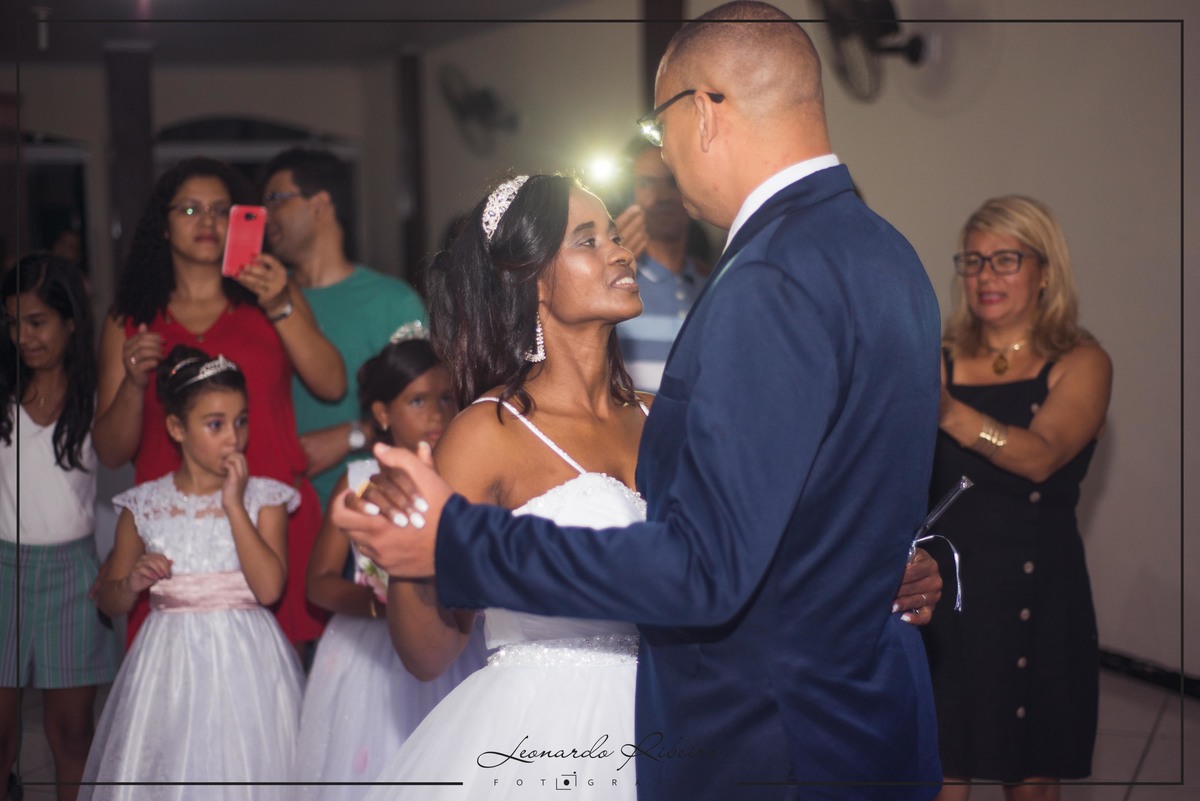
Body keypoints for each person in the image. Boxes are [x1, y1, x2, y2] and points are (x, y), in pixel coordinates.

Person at [338, 3, 945, 799]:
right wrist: (413, 552)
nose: (621, 246)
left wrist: (462, 541)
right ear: (531, 280)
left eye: (661, 127)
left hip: (770, 736)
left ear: (704, 112)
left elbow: (710, 563)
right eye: (587, 238)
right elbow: (811, 499)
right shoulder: (892, 255)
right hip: (597, 738)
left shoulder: (763, 283)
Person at [93, 156, 344, 651]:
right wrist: (134, 384)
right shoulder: (131, 319)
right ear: (163, 226)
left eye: (221, 210)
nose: (207, 221)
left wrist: (280, 305)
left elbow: (332, 384)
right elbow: (111, 451)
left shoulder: (273, 296)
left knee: (277, 682)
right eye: (189, 210)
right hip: (175, 529)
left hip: (268, 515)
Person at [922, 196, 1111, 801]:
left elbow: (1042, 456)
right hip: (945, 594)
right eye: (973, 260)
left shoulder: (1081, 361)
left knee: (1029, 776)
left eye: (1005, 259)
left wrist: (948, 412)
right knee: (940, 770)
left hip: (1037, 593)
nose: (985, 276)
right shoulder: (937, 357)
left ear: (1045, 271)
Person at [80, 346, 303, 800]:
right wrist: (132, 583)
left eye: (241, 421)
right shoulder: (144, 505)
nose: (233, 438)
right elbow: (109, 601)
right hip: (169, 665)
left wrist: (234, 505)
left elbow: (269, 589)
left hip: (249, 664)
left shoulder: (265, 499)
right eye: (215, 424)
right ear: (177, 428)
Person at [293, 329, 487, 799]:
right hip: (369, 655)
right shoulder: (360, 482)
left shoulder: (466, 480)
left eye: (446, 398)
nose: (437, 413)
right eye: (417, 401)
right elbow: (319, 583)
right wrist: (382, 604)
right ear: (382, 413)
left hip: (453, 643)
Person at [1, 254, 119, 801]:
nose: (23, 337)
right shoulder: (4, 394)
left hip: (73, 574)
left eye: (36, 322)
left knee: (72, 733)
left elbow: (132, 478)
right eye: (12, 323)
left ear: (70, 322)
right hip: (3, 569)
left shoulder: (97, 400)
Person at [259, 148, 427, 511]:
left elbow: (428, 410)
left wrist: (355, 434)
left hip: (368, 501)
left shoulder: (392, 302)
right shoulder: (263, 298)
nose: (264, 215)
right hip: (273, 507)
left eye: (276, 200)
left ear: (320, 204)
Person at [614, 138, 709, 391]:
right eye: (646, 183)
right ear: (627, 194)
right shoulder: (613, 286)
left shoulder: (715, 285)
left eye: (672, 182)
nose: (662, 196)